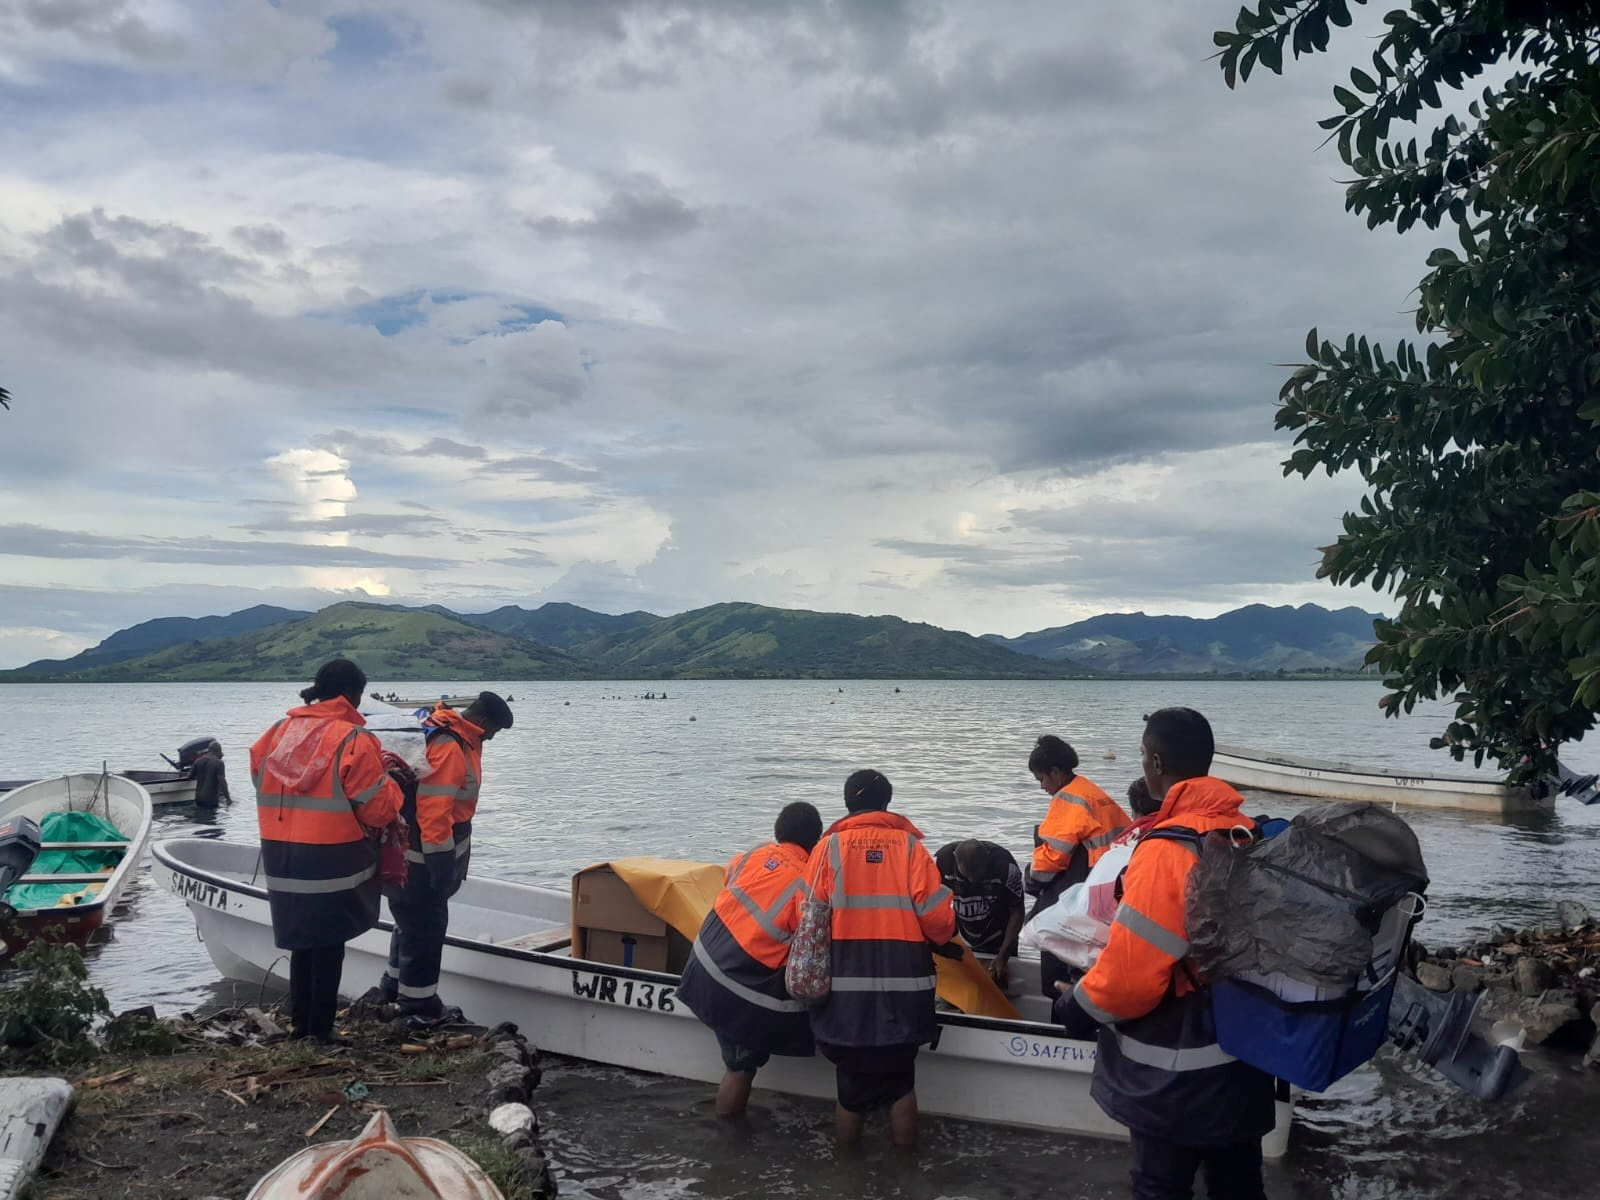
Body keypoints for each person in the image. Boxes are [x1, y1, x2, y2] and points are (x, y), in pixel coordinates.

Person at [1054, 707, 1277, 1200]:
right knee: (1238, 1185)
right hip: (1247, 1056)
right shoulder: (1245, 831)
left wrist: (1075, 1006)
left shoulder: (1166, 850)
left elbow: (1131, 976)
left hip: (1178, 1072)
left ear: (1155, 762)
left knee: (1160, 1188)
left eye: (1142, 756)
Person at [801, 769, 955, 1148]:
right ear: (887, 804)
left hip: (843, 991)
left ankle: (847, 1174)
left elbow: (809, 917)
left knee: (850, 1091)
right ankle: (905, 1171)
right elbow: (938, 920)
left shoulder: (827, 849)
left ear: (847, 805)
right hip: (905, 988)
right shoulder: (910, 848)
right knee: (901, 1084)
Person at [251, 659, 402, 1042]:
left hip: (281, 854)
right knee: (330, 943)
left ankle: (301, 1027)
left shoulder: (276, 732)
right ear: (354, 694)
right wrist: (395, 784)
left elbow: (258, 776)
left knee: (304, 942)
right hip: (332, 858)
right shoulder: (353, 739)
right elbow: (379, 808)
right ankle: (320, 1032)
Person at [677, 801, 824, 1118]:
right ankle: (728, 1136)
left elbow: (732, 884)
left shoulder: (752, 854)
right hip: (734, 985)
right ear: (816, 842)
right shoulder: (808, 884)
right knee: (741, 1067)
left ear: (777, 831)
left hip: (699, 964)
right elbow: (815, 947)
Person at [377, 690, 513, 1022]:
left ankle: (391, 989)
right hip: (424, 855)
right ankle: (418, 1007)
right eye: (492, 732)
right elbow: (435, 811)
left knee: (409, 922)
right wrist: (440, 864)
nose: (492, 739)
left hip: (410, 850)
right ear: (481, 721)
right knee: (426, 926)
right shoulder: (450, 746)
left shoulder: (440, 729)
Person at [1026, 734, 1130, 997]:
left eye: (1042, 780)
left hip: (1091, 882)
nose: (1042, 788)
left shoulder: (1068, 798)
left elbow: (1053, 856)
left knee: (1047, 934)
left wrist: (1032, 876)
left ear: (1055, 772)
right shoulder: (1091, 790)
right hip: (1114, 880)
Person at [932, 839, 1024, 986]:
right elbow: (929, 905)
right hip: (962, 935)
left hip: (999, 936)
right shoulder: (941, 862)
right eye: (968, 875)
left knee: (999, 979)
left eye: (978, 873)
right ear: (956, 860)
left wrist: (1003, 956)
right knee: (960, 984)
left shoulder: (1006, 867)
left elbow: (1017, 912)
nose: (973, 880)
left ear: (987, 858)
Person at [191, 740, 230, 812]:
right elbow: (222, 782)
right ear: (219, 751)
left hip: (198, 799)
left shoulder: (198, 761)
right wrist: (228, 798)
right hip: (211, 801)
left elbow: (190, 776)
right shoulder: (219, 763)